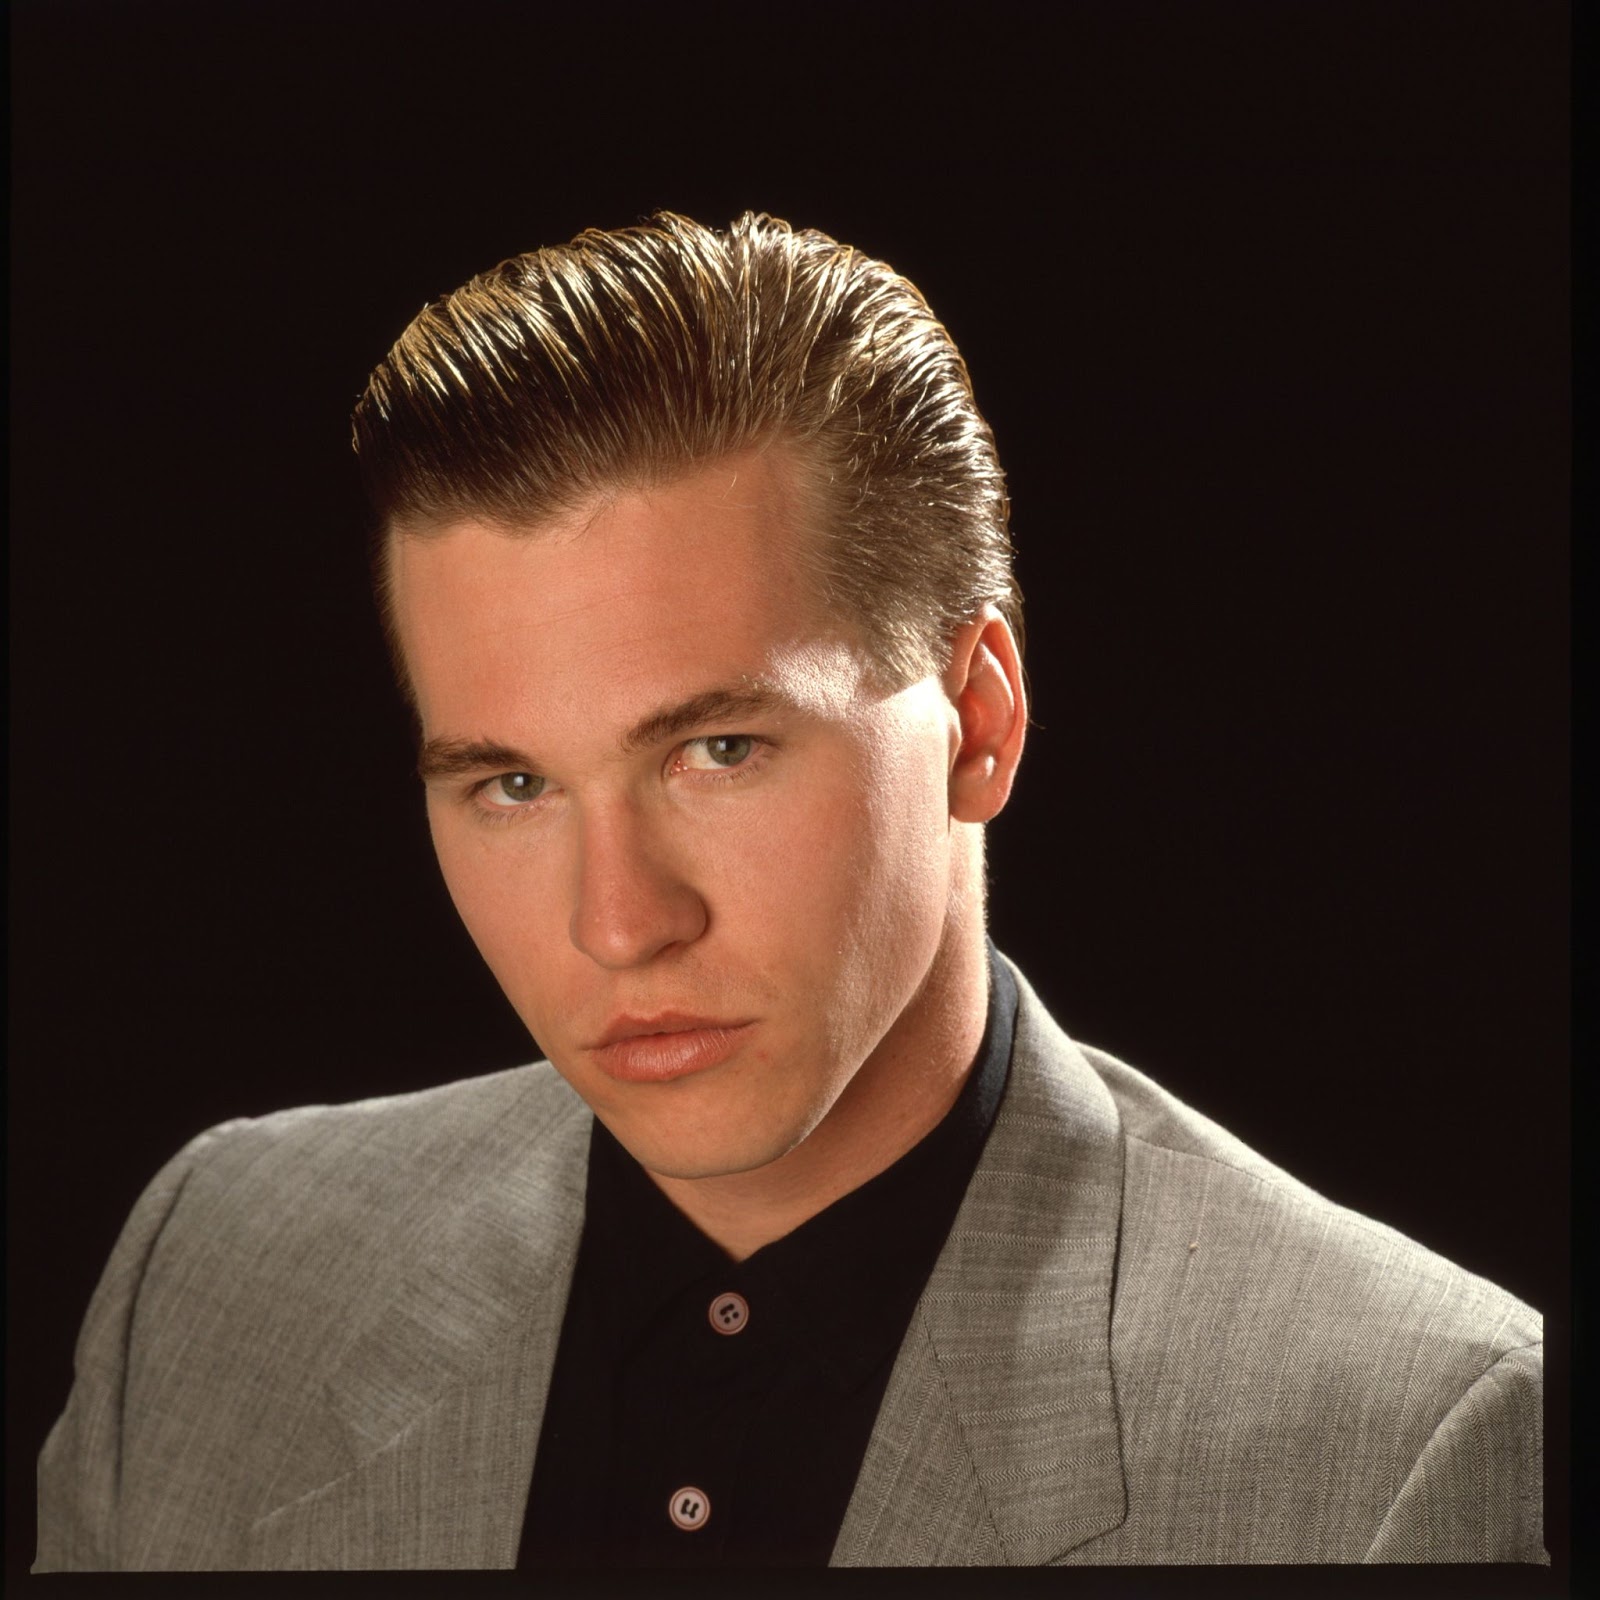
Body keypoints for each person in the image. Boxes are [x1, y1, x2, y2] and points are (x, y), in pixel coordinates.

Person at [35, 211, 1544, 1570]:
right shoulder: (211, 1275)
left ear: (984, 721)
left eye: (720, 748)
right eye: (511, 784)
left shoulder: (1406, 1450)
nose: (618, 925)